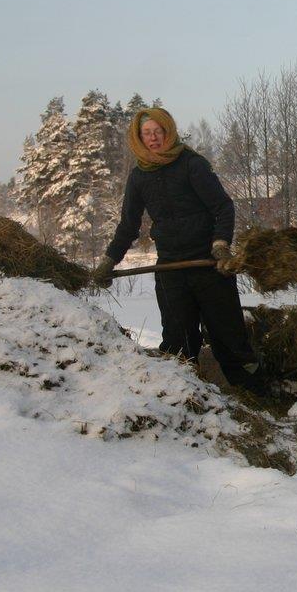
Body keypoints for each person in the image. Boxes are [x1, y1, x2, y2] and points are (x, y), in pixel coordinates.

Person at [91, 107, 266, 394]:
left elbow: (223, 207)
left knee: (230, 340)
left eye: (158, 131)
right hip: (171, 270)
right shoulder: (139, 177)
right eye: (147, 133)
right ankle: (185, 402)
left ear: (168, 131)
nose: (153, 138)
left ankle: (256, 398)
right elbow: (128, 226)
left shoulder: (191, 165)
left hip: (208, 266)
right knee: (178, 344)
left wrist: (221, 246)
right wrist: (109, 260)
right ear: (139, 136)